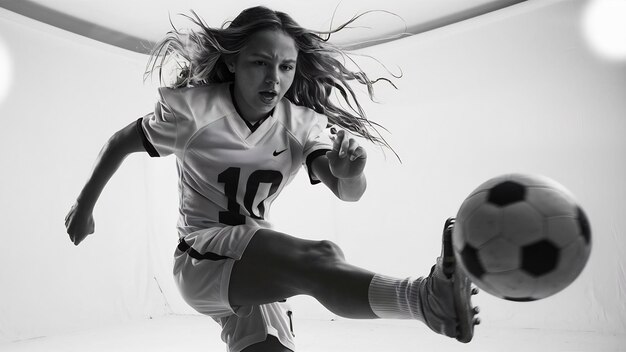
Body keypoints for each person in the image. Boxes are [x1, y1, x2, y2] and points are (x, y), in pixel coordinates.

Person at [65, 6, 479, 352]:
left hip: (254, 264)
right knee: (319, 256)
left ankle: (428, 300)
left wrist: (351, 173)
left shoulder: (301, 124)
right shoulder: (193, 112)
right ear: (232, 61)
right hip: (201, 255)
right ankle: (425, 298)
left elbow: (346, 192)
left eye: (285, 67)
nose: (273, 78)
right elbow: (120, 141)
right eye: (260, 63)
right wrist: (84, 206)